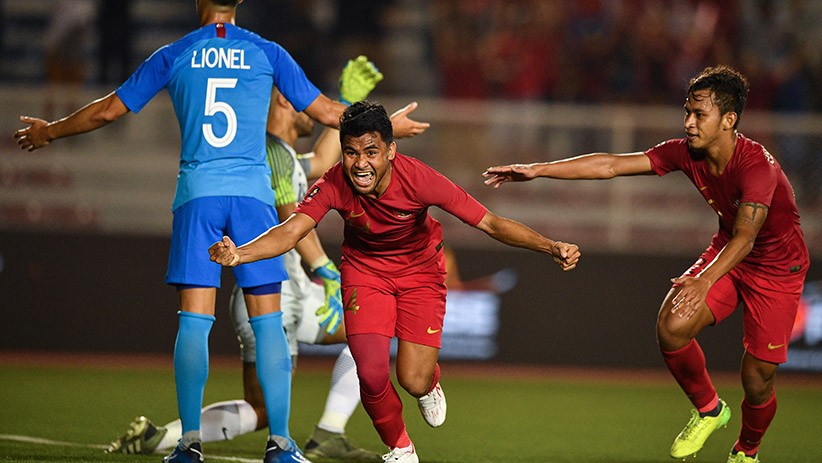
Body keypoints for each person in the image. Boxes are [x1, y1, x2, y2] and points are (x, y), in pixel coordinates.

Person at [14, 1, 349, 462]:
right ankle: (282, 445)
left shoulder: (174, 53)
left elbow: (109, 111)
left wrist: (50, 131)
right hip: (253, 198)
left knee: (194, 321)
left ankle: (189, 443)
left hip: (199, 193)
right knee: (268, 321)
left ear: (197, 3)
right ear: (239, 3)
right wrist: (385, 126)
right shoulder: (267, 52)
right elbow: (330, 112)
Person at [208, 100, 580, 463]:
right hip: (365, 273)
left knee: (413, 380)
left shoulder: (419, 179)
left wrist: (550, 246)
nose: (360, 163)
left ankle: (429, 383)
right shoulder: (335, 182)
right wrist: (240, 253)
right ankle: (402, 449)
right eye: (351, 152)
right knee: (370, 373)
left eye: (371, 151)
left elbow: (490, 222)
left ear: (390, 151)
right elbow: (292, 231)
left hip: (421, 274)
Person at [105, 58, 430, 462]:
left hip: (291, 293)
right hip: (271, 293)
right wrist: (326, 271)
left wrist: (351, 106)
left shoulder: (283, 155)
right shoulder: (269, 153)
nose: (311, 105)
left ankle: (327, 431)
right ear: (282, 100)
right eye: (303, 99)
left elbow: (326, 162)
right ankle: (171, 438)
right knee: (269, 404)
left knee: (365, 338)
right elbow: (289, 218)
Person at [483, 65, 809, 463]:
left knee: (757, 379)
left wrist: (704, 282)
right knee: (672, 328)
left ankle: (746, 451)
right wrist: (538, 170)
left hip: (777, 270)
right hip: (728, 252)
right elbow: (611, 164)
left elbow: (747, 237)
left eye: (699, 114)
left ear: (729, 120)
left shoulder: (756, 166)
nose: (688, 122)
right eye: (686, 112)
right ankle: (709, 409)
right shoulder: (687, 153)